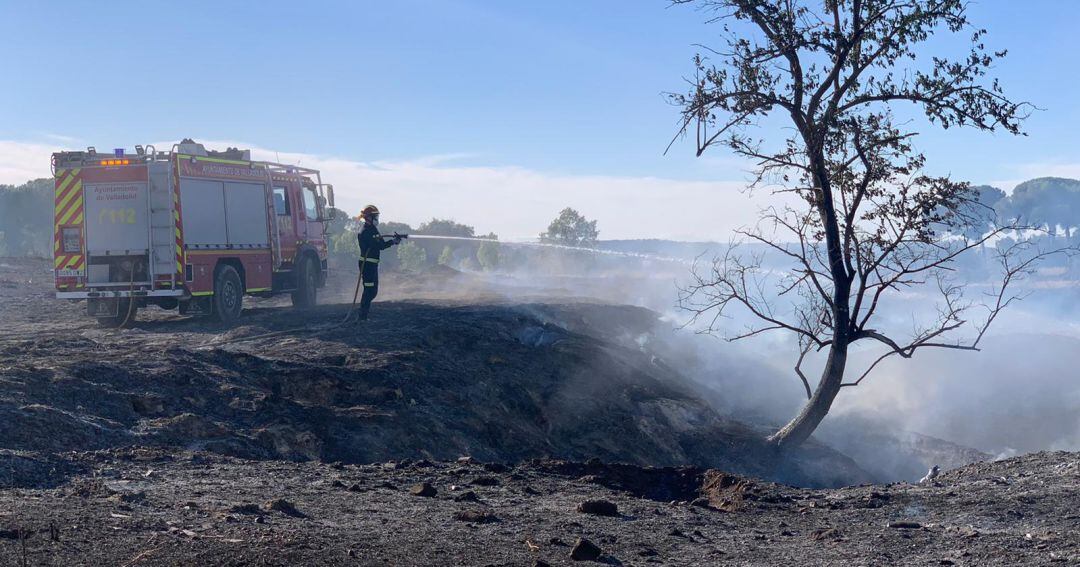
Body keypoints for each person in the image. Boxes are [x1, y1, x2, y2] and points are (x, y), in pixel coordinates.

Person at [355, 205, 402, 321]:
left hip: (372, 264)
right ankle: (362, 317)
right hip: (367, 265)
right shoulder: (366, 231)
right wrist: (393, 242)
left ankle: (363, 314)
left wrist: (393, 241)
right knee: (369, 291)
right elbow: (379, 245)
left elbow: (380, 242)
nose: (377, 219)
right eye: (375, 216)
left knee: (373, 291)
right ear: (369, 218)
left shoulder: (372, 229)